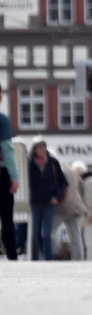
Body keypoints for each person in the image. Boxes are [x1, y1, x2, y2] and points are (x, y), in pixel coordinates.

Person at [28, 138, 67, 260]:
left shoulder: (53, 162)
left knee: (46, 234)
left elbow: (63, 182)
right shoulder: (29, 163)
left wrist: (57, 196)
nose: (43, 149)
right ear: (34, 149)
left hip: (50, 202)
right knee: (35, 234)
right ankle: (35, 259)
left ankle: (48, 259)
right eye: (40, 147)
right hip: (34, 202)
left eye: (44, 147)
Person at [0, 84, 19, 260]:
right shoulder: (2, 120)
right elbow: (7, 149)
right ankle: (12, 256)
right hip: (1, 173)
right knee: (6, 217)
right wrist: (14, 176)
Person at [53, 160, 87, 260]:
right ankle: (78, 260)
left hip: (62, 206)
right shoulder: (72, 172)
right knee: (76, 237)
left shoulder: (57, 170)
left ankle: (42, 257)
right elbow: (82, 188)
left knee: (47, 232)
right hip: (76, 207)